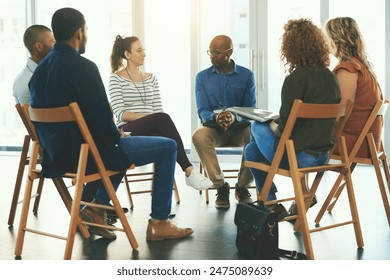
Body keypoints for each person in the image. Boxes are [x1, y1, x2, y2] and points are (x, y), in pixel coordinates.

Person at [29, 7, 193, 241]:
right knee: (167, 146)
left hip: (55, 157)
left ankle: (95, 209)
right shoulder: (84, 67)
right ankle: (159, 222)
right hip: (86, 155)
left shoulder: (39, 71)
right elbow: (103, 120)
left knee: (115, 148)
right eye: (85, 30)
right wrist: (118, 136)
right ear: (79, 33)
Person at [244, 18, 341, 219]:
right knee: (251, 150)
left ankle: (270, 201)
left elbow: (285, 127)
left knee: (255, 125)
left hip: (299, 158)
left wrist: (271, 124)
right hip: (323, 155)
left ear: (290, 48)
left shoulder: (294, 79)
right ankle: (270, 201)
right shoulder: (331, 77)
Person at [108, 35, 212, 191]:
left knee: (166, 134)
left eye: (143, 50)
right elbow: (121, 113)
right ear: (127, 55)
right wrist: (150, 118)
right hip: (128, 129)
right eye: (139, 50)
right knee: (162, 119)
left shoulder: (151, 78)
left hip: (154, 125)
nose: (144, 54)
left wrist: (153, 119)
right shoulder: (116, 78)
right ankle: (189, 170)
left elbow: (158, 110)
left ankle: (162, 205)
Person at [192, 35, 255, 209]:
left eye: (216, 52)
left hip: (239, 128)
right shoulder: (202, 77)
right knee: (199, 136)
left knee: (257, 135)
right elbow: (202, 110)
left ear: (229, 52)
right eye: (210, 52)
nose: (211, 56)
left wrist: (235, 117)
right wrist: (215, 117)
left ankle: (242, 187)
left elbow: (250, 110)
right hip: (214, 129)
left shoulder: (247, 75)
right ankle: (221, 187)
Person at [324, 17, 383, 158]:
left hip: (354, 144)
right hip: (366, 142)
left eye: (326, 37)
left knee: (298, 138)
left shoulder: (347, 69)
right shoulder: (362, 67)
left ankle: (295, 176)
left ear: (335, 41)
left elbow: (341, 114)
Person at [13, 25, 55, 104]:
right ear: (39, 47)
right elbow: (34, 115)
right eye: (53, 42)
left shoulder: (44, 72)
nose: (56, 46)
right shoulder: (26, 81)